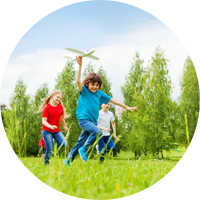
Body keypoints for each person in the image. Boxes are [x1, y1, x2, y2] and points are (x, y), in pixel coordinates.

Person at [63, 55, 137, 165]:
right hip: (84, 119)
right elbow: (78, 81)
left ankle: (67, 161)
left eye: (97, 85)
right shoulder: (84, 91)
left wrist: (126, 106)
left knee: (80, 142)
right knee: (97, 132)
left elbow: (113, 99)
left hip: (92, 122)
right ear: (87, 84)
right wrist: (80, 66)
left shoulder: (99, 94)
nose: (94, 87)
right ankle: (84, 149)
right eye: (92, 84)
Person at [37, 91, 69, 165]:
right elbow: (44, 121)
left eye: (60, 98)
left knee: (64, 143)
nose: (59, 99)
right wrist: (51, 126)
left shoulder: (60, 107)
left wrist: (65, 126)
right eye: (57, 97)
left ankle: (52, 142)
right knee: (49, 150)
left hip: (56, 130)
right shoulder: (47, 107)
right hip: (47, 130)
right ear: (52, 97)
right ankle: (46, 165)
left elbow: (62, 117)